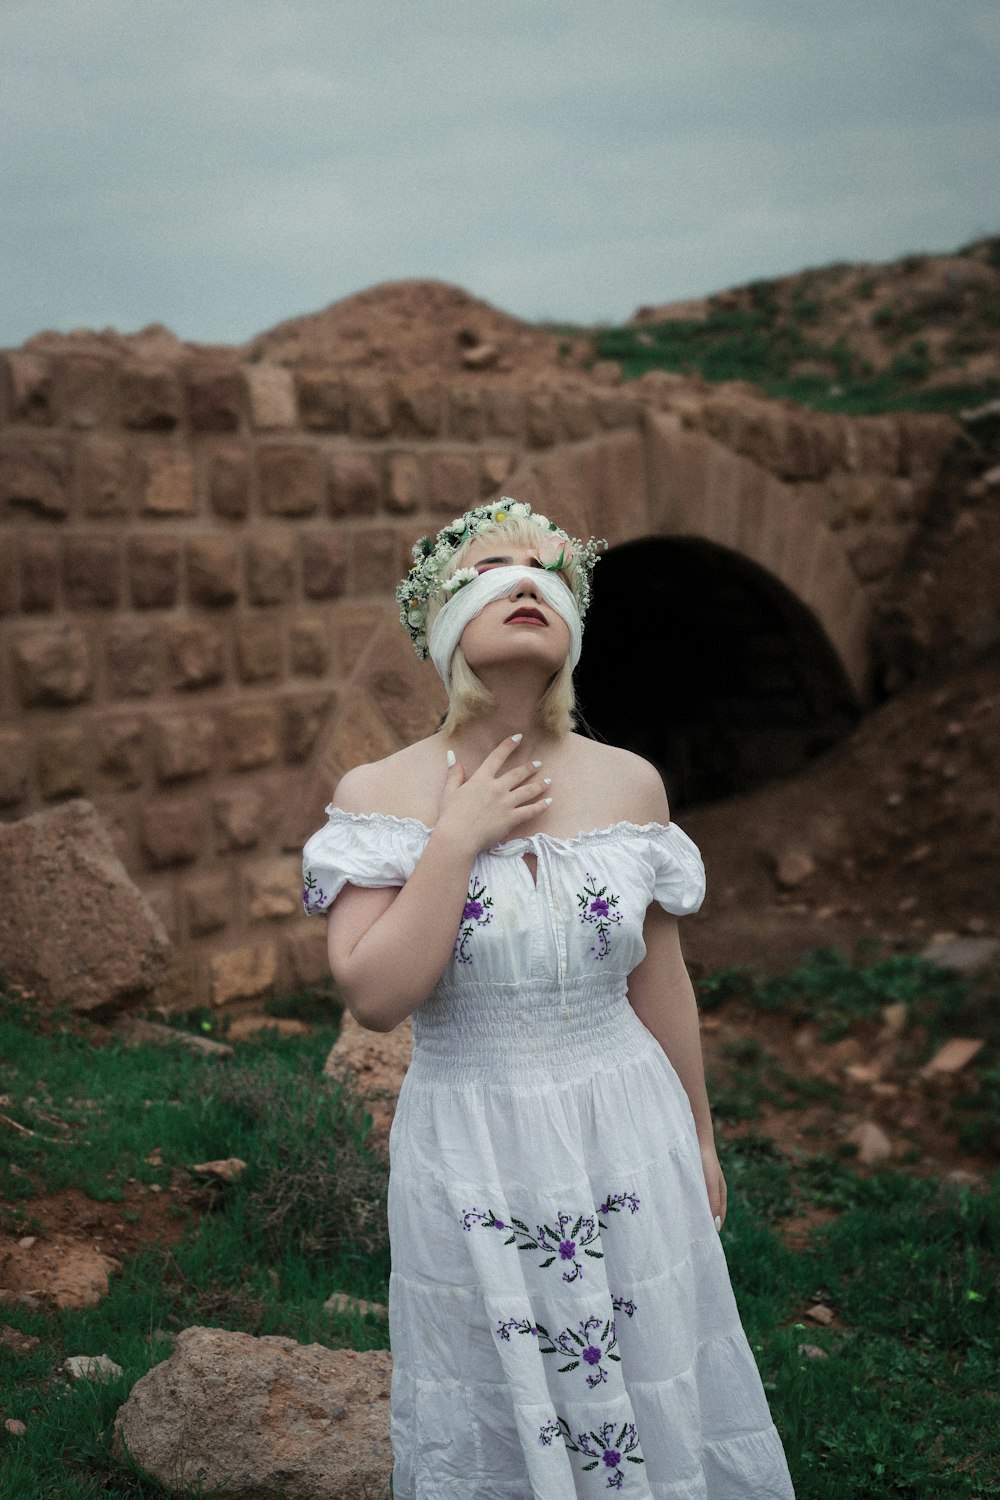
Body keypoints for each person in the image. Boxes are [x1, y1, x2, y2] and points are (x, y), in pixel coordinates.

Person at [302, 499, 795, 1499]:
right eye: (493, 564)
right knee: (497, 1389)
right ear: (440, 616)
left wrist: (698, 1137)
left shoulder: (629, 786)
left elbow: (659, 978)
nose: (525, 578)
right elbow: (376, 993)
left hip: (626, 1124)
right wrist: (457, 837)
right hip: (474, 1137)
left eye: (547, 569)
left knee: (651, 1375)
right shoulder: (378, 794)